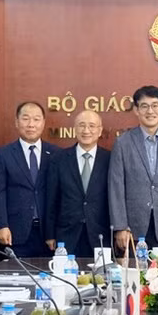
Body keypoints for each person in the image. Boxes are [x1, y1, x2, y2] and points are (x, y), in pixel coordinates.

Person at [109, 85, 158, 252]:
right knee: (133, 276)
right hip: (132, 228)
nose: (150, 111)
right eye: (144, 106)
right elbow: (116, 187)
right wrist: (120, 226)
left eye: (155, 105)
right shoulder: (123, 143)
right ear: (136, 110)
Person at [0, 101, 58, 257]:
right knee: (18, 279)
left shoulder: (55, 154)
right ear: (16, 122)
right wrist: (2, 225)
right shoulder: (4, 154)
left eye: (36, 119)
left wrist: (55, 230)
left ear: (43, 123)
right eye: (25, 118)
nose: (31, 124)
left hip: (48, 234)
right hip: (15, 233)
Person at [45, 110, 111, 258]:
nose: (86, 130)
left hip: (100, 233)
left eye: (92, 126)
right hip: (67, 234)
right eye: (81, 126)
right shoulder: (59, 159)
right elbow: (51, 199)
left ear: (100, 131)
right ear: (74, 129)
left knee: (100, 278)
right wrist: (50, 234)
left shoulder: (110, 159)